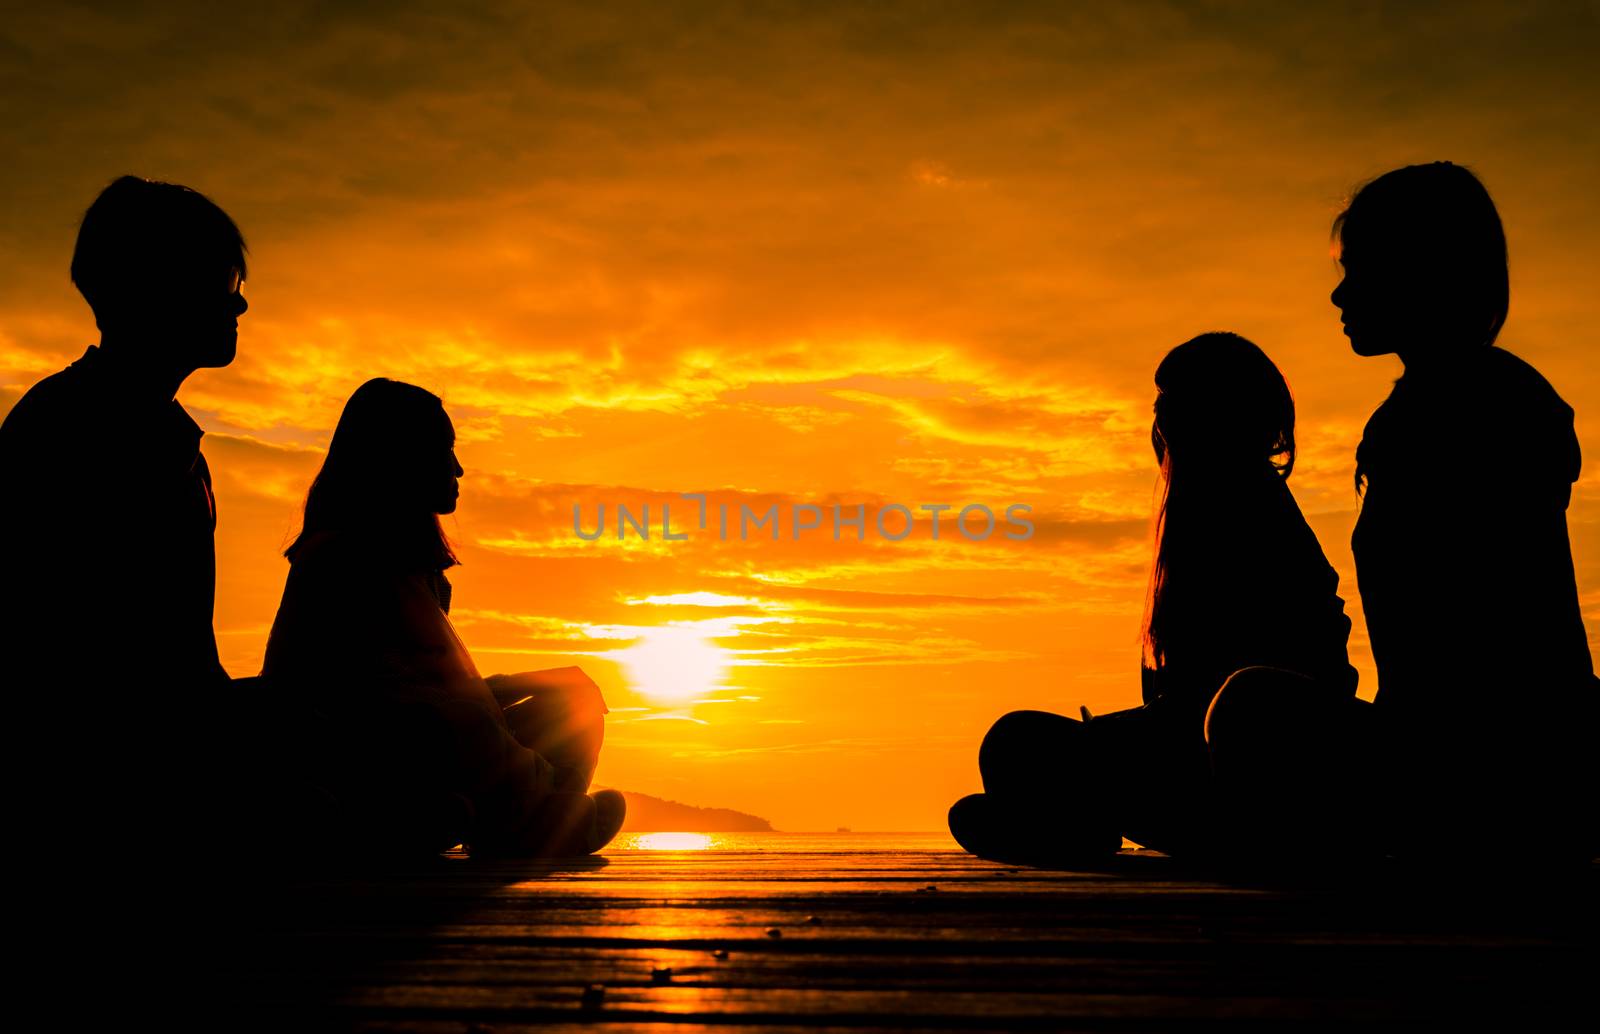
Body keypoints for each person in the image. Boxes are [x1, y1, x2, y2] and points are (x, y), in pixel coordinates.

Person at [1205, 162, 1598, 866]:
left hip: (1493, 771)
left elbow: (1496, 653)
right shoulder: (1436, 409)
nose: (1339, 292)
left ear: (1421, 270)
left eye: (1360, 269)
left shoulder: (1482, 408)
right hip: (1447, 753)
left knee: (1247, 709)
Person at [948, 332, 1359, 863]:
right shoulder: (1210, 514)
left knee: (1017, 743)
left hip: (1249, 763)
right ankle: (1077, 821)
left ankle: (1082, 824)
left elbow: (1232, 692)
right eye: (1160, 401)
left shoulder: (1250, 514)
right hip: (1186, 750)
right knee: (1014, 745)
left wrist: (1115, 734)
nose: (1162, 416)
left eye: (1178, 400)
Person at [0, 175, 253, 1017]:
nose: (241, 306)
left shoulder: (146, 432)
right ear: (159, 289)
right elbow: (112, 672)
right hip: (107, 804)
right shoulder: (87, 434)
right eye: (224, 283)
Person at [259, 378, 625, 857]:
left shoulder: (416, 568)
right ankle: (536, 815)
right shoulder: (342, 559)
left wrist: (538, 683)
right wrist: (521, 685)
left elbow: (444, 687)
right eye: (443, 450)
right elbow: (370, 701)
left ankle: (524, 810)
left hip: (423, 735)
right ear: (398, 457)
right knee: (457, 721)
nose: (457, 467)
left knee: (567, 705)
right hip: (359, 751)